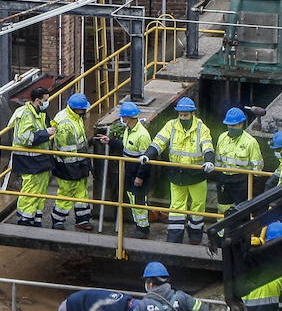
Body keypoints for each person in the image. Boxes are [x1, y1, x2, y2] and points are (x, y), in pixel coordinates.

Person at [139, 97, 215, 243]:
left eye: (185, 115)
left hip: (196, 175)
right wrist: (148, 155)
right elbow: (159, 141)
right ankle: (174, 237)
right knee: (176, 207)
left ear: (192, 113)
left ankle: (195, 236)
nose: (182, 117)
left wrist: (209, 161)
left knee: (197, 206)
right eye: (180, 115)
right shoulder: (171, 125)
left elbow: (207, 145)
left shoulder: (201, 128)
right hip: (177, 174)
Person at [95, 100, 153, 237]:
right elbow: (126, 147)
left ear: (128, 117)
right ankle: (140, 226)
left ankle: (143, 229)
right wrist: (110, 141)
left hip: (137, 173)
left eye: (122, 117)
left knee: (139, 203)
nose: (121, 119)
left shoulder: (142, 135)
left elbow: (146, 160)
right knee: (133, 202)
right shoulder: (129, 131)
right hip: (129, 171)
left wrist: (140, 177)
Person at [10, 86, 56, 226]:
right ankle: (25, 218)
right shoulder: (26, 114)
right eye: (46, 100)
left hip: (39, 157)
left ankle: (36, 217)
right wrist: (46, 133)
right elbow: (26, 138)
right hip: (28, 159)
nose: (48, 103)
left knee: (41, 188)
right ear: (37, 101)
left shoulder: (38, 113)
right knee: (31, 188)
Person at [50, 93, 93, 231]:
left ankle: (83, 219)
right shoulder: (65, 124)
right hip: (67, 165)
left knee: (82, 191)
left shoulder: (76, 117)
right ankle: (58, 220)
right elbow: (66, 150)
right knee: (66, 192)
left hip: (79, 162)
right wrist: (75, 166)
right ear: (77, 109)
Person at [215, 107, 263, 220]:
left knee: (242, 211)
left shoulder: (250, 142)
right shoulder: (222, 138)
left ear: (241, 124)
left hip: (242, 181)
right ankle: (221, 234)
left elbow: (257, 168)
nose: (231, 128)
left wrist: (248, 182)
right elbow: (218, 161)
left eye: (234, 125)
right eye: (229, 125)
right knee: (223, 209)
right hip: (224, 179)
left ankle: (240, 236)